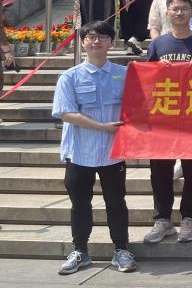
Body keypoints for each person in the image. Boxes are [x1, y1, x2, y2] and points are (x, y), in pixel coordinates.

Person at [52, 21, 136, 275]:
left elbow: (140, 105)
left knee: (116, 202)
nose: (96, 41)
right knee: (80, 204)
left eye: (102, 36)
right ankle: (80, 251)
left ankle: (121, 250)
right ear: (82, 42)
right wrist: (102, 127)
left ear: (111, 42)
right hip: (80, 153)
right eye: (90, 36)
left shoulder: (125, 74)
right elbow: (66, 113)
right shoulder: (69, 77)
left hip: (113, 154)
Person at [144, 0, 192, 245]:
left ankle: (189, 218)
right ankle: (162, 219)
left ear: (191, 13)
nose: (179, 13)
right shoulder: (158, 44)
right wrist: (158, 69)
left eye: (184, 9)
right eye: (175, 9)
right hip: (163, 118)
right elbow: (146, 80)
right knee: (160, 171)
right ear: (167, 13)